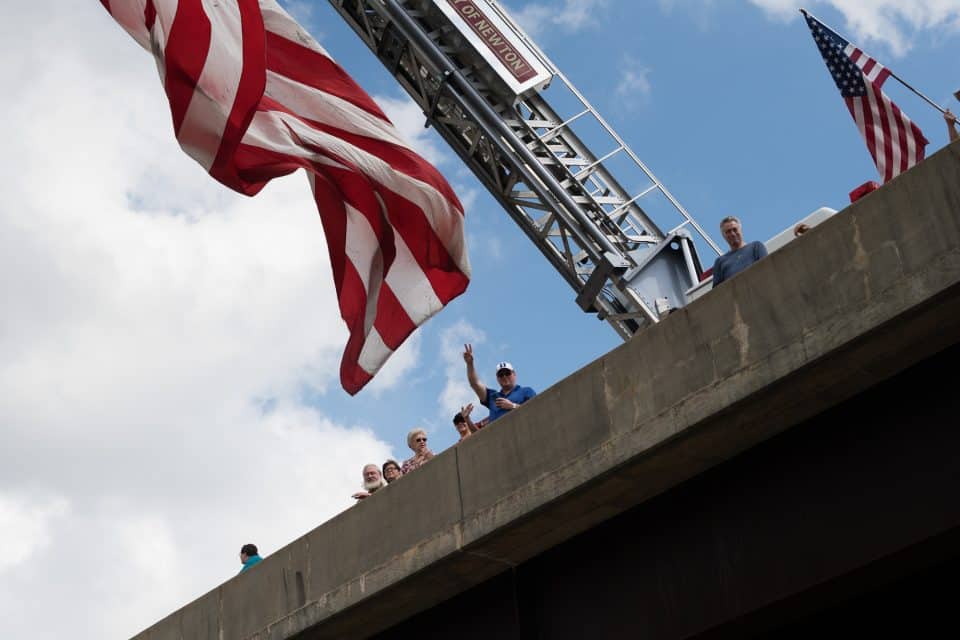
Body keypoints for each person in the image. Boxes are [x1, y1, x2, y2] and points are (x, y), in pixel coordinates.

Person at [463, 345, 536, 423]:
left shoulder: (526, 391)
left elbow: (536, 410)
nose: (504, 377)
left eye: (507, 373)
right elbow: (475, 384)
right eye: (501, 375)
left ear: (514, 374)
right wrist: (470, 364)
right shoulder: (493, 396)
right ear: (497, 378)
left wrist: (512, 406)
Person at [711, 216, 768, 287]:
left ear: (740, 230)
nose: (732, 234)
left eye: (735, 229)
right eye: (728, 231)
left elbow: (767, 270)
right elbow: (717, 292)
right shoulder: (719, 262)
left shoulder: (756, 247)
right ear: (724, 236)